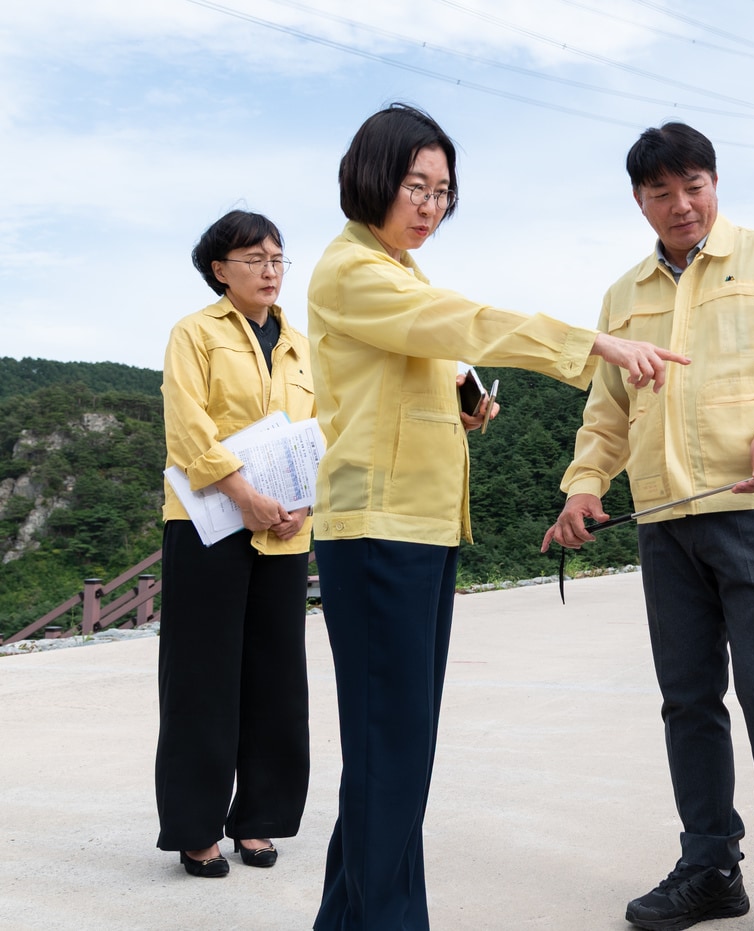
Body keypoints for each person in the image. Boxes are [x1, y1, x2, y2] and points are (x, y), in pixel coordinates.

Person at [306, 103, 688, 931]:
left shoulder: (399, 274)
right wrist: (592, 343)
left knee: (394, 752)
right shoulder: (349, 270)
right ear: (371, 176)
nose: (431, 205)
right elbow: (462, 322)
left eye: (443, 190)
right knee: (391, 752)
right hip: (376, 533)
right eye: (416, 185)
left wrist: (465, 403)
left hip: (417, 529)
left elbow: (432, 354)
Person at [542, 122, 754, 931]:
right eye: (661, 193)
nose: (681, 205)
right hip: (665, 523)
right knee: (687, 699)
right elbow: (606, 413)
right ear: (639, 201)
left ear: (716, 182)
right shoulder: (625, 296)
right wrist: (584, 486)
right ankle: (710, 864)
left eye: (694, 186)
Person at [156, 210, 314, 877]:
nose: (271, 269)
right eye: (254, 257)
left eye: (278, 257)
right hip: (208, 523)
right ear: (219, 268)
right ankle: (196, 827)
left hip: (282, 529)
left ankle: (259, 819)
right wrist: (243, 493)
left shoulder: (303, 344)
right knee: (201, 678)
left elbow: (317, 429)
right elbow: (188, 425)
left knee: (276, 676)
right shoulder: (195, 333)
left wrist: (300, 501)